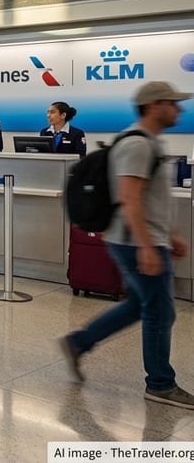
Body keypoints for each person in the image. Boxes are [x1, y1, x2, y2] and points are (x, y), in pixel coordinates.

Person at [61, 81, 192, 408]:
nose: (179, 109)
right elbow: (130, 199)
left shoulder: (148, 142)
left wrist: (169, 234)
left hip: (140, 239)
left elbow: (149, 200)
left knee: (140, 305)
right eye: (172, 103)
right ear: (153, 106)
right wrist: (148, 247)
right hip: (136, 242)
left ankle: (78, 343)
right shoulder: (138, 145)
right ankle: (160, 383)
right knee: (160, 312)